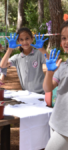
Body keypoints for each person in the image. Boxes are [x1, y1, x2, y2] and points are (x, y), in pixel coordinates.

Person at [0, 27, 49, 94]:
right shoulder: (17, 57)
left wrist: (42, 50)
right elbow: (2, 65)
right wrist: (9, 49)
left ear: (32, 39)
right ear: (18, 41)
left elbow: (52, 62)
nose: (25, 42)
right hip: (26, 94)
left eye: (27, 38)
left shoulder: (39, 54)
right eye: (21, 39)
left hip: (41, 93)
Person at [43, 21, 68, 150]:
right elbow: (47, 88)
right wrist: (50, 72)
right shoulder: (63, 66)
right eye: (64, 38)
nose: (66, 42)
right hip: (56, 121)